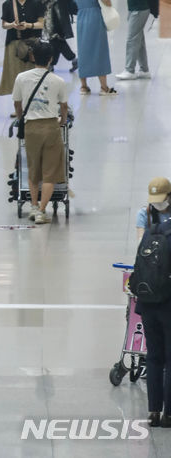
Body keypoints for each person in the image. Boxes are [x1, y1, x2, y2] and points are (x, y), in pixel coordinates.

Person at [12, 41, 69, 224]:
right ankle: (42, 211)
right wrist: (63, 120)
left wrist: (21, 117)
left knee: (33, 170)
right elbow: (64, 107)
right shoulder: (58, 81)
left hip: (31, 128)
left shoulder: (21, 77)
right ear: (51, 59)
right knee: (50, 173)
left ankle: (34, 206)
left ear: (33, 56)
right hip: (51, 127)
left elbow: (17, 103)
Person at [133, 178, 171, 427]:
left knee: (154, 356)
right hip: (168, 299)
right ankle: (169, 414)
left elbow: (140, 249)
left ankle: (153, 412)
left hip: (147, 298)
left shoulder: (143, 215)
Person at [69, 0, 116, 95]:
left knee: (83, 51)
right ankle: (103, 87)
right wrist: (109, 4)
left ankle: (83, 86)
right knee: (99, 51)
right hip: (95, 18)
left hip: (81, 19)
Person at [0, 0, 44, 96]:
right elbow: (4, 24)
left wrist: (28, 25)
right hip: (13, 44)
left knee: (32, 77)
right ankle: (18, 106)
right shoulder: (7, 4)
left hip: (32, 45)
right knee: (15, 77)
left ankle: (31, 105)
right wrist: (12, 25)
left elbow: (41, 24)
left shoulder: (36, 3)